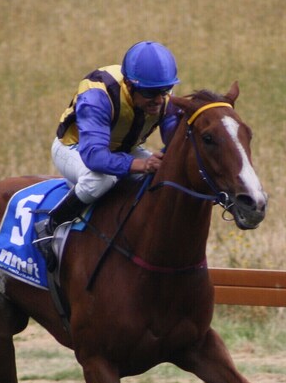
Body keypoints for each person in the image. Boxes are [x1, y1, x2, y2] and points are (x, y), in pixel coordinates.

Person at [34, 41, 182, 266]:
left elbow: (173, 140)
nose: (160, 100)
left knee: (164, 175)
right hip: (77, 147)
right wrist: (142, 165)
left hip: (123, 148)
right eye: (151, 93)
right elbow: (95, 157)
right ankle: (51, 223)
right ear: (130, 86)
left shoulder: (162, 94)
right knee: (100, 180)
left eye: (165, 90)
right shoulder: (98, 94)